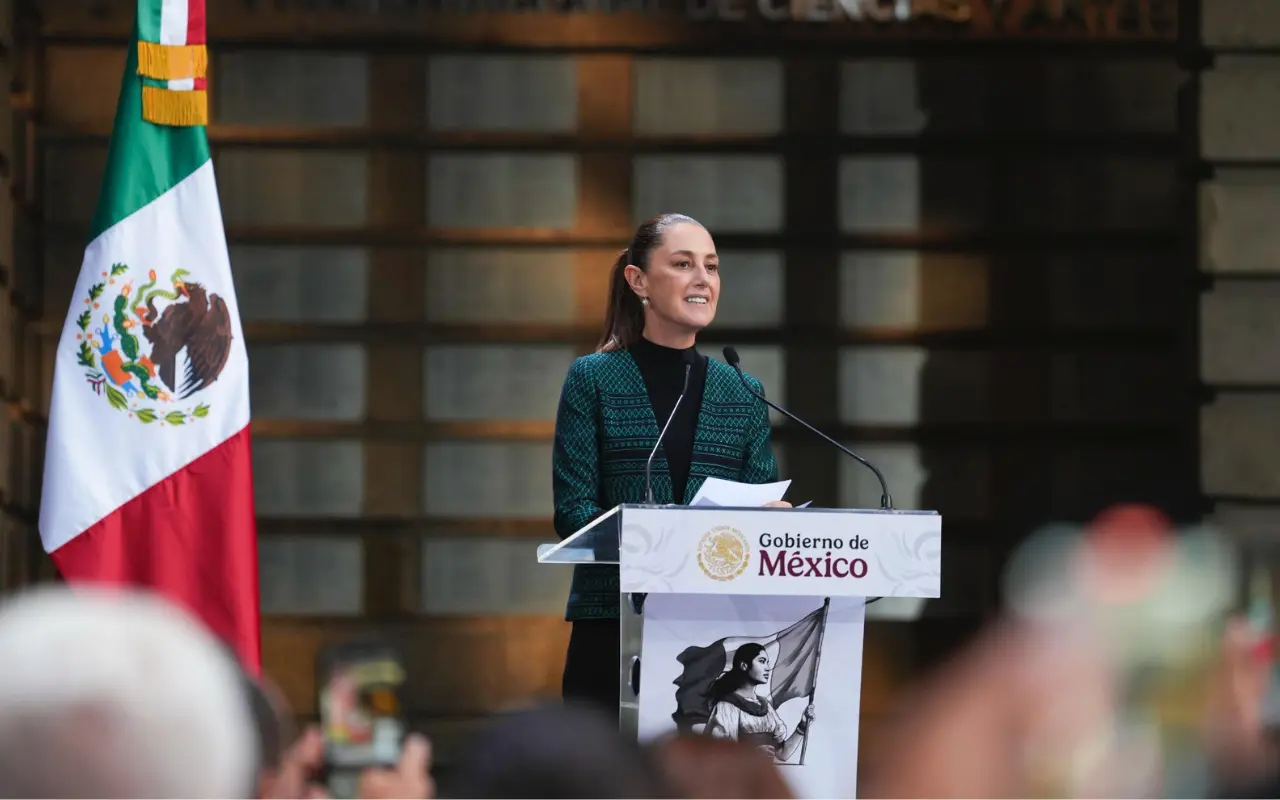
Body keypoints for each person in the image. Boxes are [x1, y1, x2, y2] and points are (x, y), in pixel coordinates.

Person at [553, 212, 790, 711]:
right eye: (683, 264)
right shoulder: (593, 379)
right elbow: (573, 512)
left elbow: (761, 501)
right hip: (612, 627)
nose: (703, 279)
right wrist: (656, 538)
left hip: (714, 631)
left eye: (712, 266)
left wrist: (773, 524)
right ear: (638, 280)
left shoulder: (743, 390)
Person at [703, 643, 815, 763]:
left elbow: (782, 754)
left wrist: (802, 726)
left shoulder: (765, 706)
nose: (767, 668)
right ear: (744, 665)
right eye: (761, 661)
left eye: (767, 662)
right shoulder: (726, 706)